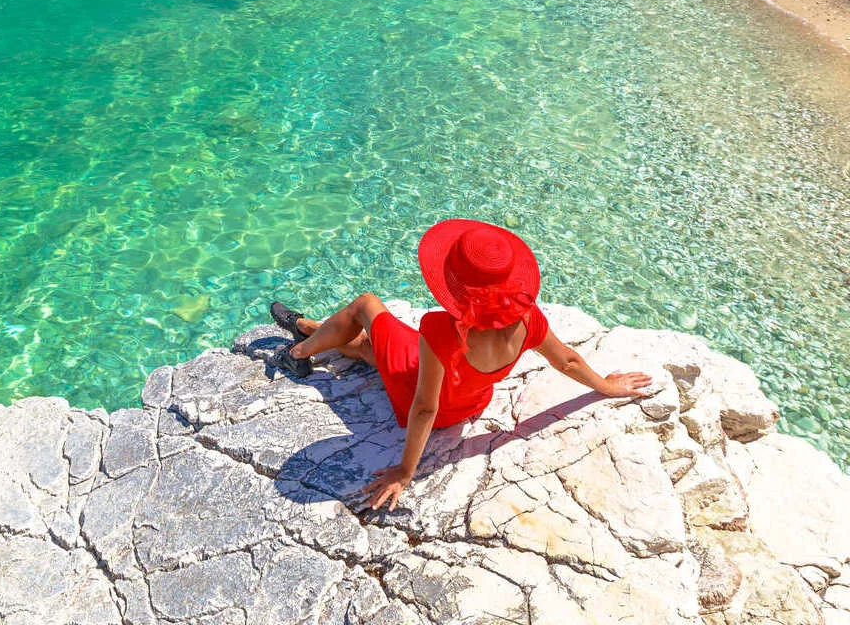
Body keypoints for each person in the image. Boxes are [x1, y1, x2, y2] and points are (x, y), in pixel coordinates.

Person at [269, 219, 651, 511]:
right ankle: (310, 327)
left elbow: (424, 407)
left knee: (366, 305)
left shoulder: (441, 329)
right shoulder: (528, 320)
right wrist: (608, 387)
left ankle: (298, 354)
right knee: (368, 349)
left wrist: (405, 471)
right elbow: (566, 360)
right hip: (468, 404)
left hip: (420, 392)